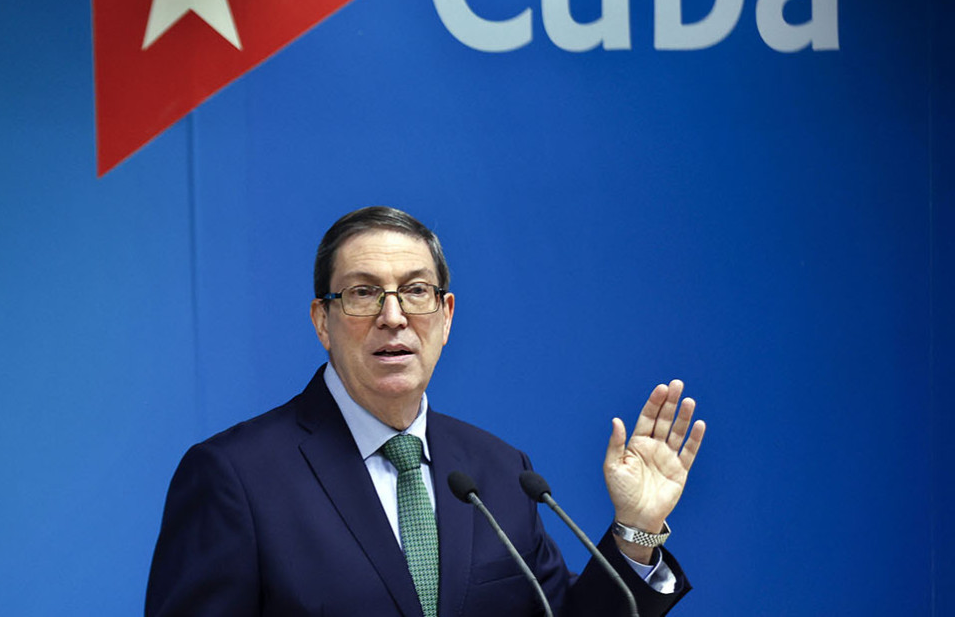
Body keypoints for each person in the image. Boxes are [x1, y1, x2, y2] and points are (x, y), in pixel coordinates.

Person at [145, 206, 706, 617]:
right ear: (322, 321)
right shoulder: (236, 476)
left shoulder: (500, 472)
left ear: (446, 316)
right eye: (363, 293)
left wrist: (637, 530)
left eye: (416, 291)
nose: (393, 316)